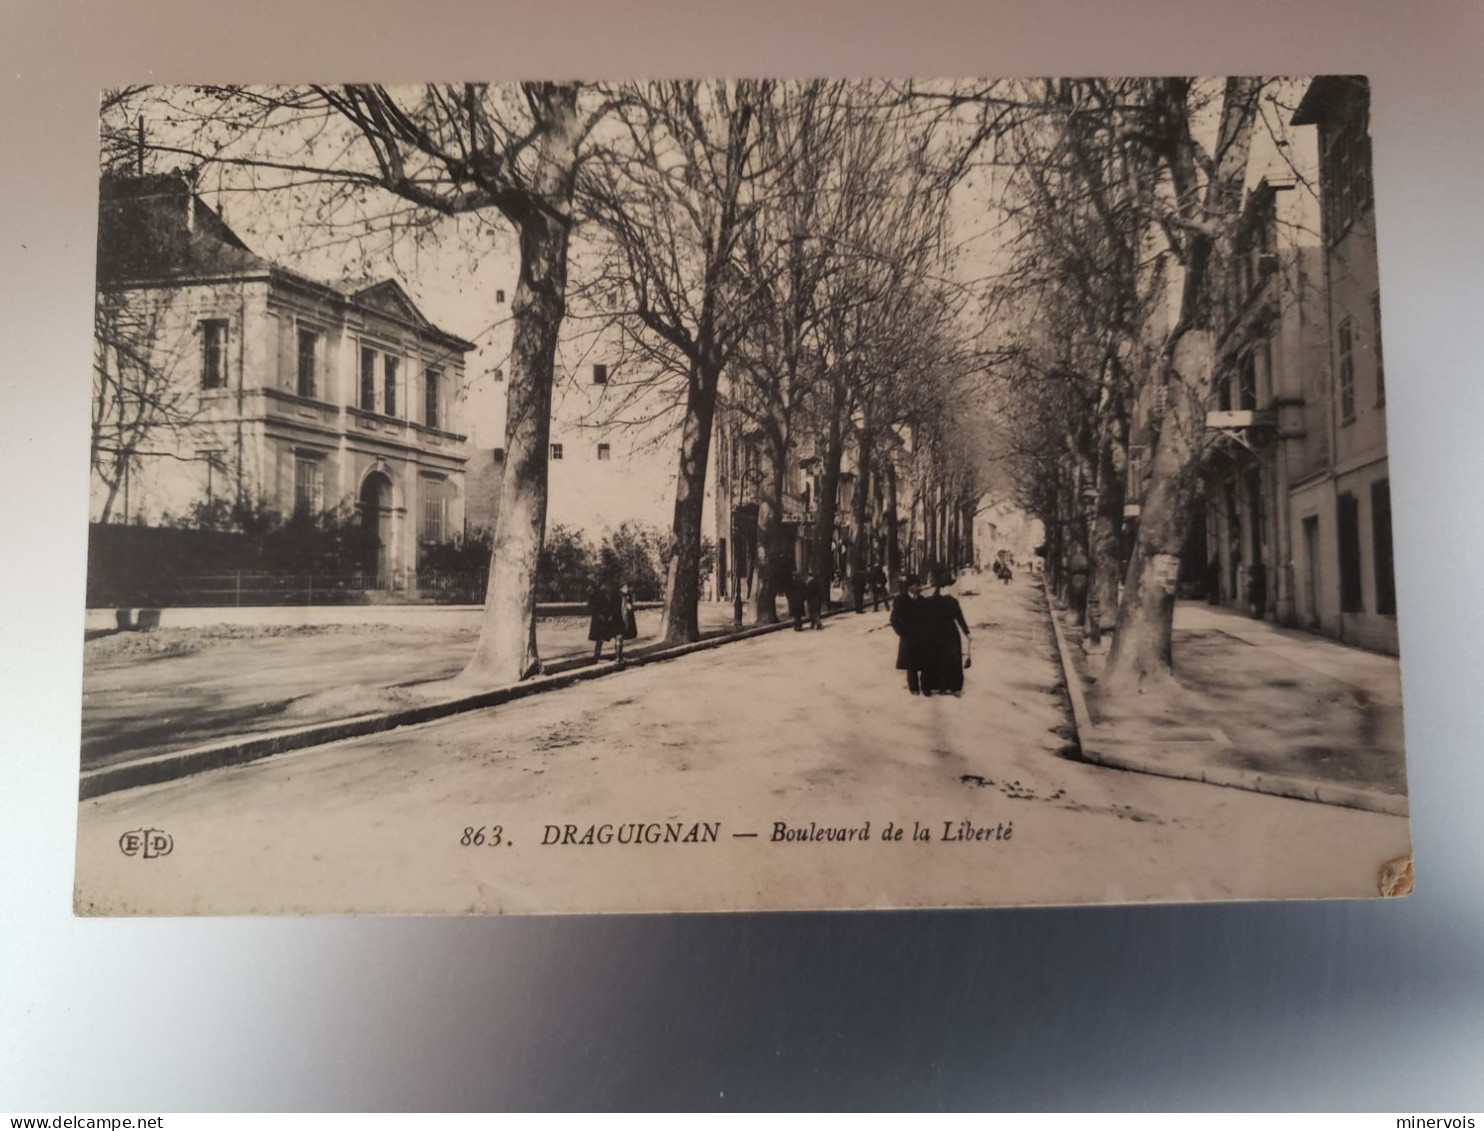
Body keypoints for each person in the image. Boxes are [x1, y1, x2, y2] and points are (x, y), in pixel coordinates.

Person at [924, 573, 970, 695]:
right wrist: (967, 633)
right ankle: (953, 687)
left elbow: (924, 618)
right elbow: (960, 618)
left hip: (934, 634)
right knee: (951, 660)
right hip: (950, 634)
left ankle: (934, 686)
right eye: (950, 586)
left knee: (935, 659)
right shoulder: (952, 601)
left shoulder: (930, 601)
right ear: (946, 587)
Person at [890, 573, 929, 695]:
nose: (919, 588)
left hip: (922, 638)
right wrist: (903, 632)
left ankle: (926, 688)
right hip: (908, 638)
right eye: (917, 585)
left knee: (925, 663)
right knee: (911, 665)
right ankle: (914, 689)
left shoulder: (923, 600)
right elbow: (894, 620)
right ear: (910, 587)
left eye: (919, 585)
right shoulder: (900, 600)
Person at [587, 577, 620, 660]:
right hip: (602, 617)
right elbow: (592, 605)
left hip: (607, 617)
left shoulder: (610, 589)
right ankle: (616, 656)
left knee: (603, 638)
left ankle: (599, 656)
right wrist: (599, 615)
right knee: (602, 638)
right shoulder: (600, 591)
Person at [616, 581, 638, 661]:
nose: (627, 589)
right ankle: (618, 656)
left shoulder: (626, 596)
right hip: (620, 619)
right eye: (625, 587)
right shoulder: (620, 597)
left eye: (627, 587)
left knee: (620, 638)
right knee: (619, 637)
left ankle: (619, 655)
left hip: (624, 619)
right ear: (621, 588)